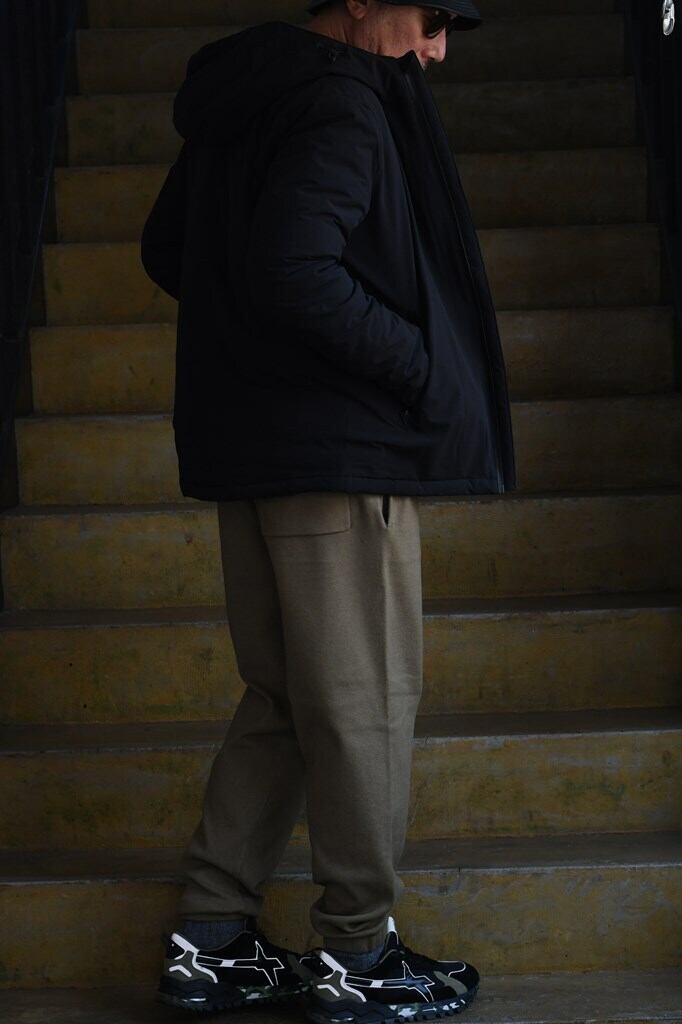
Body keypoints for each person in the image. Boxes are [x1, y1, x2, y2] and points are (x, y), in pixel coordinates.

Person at [141, 0, 516, 1018]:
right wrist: (423, 368)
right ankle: (356, 949)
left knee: (284, 696)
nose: (437, 48)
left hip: (256, 451)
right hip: (337, 456)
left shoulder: (247, 94)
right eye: (431, 17)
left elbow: (171, 247)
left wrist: (259, 362)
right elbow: (292, 268)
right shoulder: (343, 101)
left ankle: (211, 936)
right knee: (364, 705)